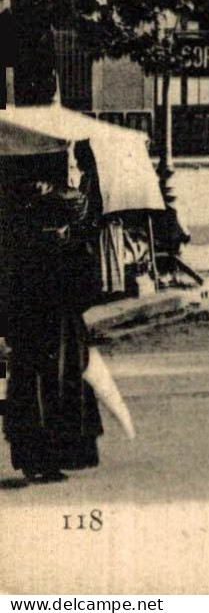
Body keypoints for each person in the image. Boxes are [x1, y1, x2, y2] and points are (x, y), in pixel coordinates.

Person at [1, 178, 103, 482]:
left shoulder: (21, 241)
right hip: (62, 330)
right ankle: (52, 457)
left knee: (29, 390)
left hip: (29, 329)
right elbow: (89, 289)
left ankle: (35, 458)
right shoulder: (69, 246)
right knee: (59, 389)